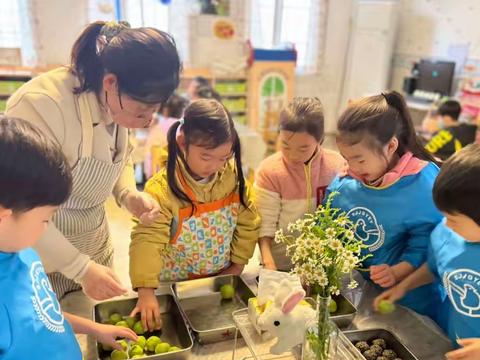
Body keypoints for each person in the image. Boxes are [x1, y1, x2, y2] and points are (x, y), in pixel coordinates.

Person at [0, 117, 137, 360]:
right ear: (3, 214)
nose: (48, 228)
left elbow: (43, 312)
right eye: (46, 219)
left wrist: (94, 328)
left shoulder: (20, 251)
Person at [6, 20, 181, 301]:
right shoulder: (41, 106)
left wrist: (127, 194)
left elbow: (119, 156)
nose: (148, 121)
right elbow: (21, 210)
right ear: (111, 82)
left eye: (155, 110)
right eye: (142, 111)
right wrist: (79, 267)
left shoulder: (118, 99)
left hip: (93, 245)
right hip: (41, 256)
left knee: (98, 333)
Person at [130, 99, 260, 330]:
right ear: (182, 143)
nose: (215, 166)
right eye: (206, 157)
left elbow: (248, 222)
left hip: (220, 279)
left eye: (224, 158)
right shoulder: (161, 190)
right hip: (174, 284)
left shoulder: (233, 180)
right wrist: (146, 290)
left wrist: (238, 266)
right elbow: (147, 240)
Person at [327, 91, 443, 317]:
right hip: (363, 294)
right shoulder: (348, 179)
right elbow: (330, 219)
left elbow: (428, 244)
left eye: (359, 159)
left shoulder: (422, 185)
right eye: (346, 157)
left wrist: (397, 271)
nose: (352, 166)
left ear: (391, 146)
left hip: (412, 302)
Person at [375, 144, 480, 360]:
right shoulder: (446, 232)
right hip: (460, 358)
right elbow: (434, 268)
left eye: (455, 219)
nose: (446, 224)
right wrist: (403, 287)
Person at [254, 97, 345, 271]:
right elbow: (264, 226)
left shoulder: (337, 166)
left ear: (320, 140)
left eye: (303, 148)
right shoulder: (270, 171)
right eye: (286, 145)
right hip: (281, 264)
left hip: (323, 266)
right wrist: (269, 264)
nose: (293, 155)